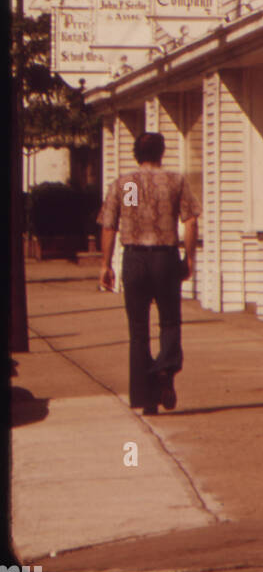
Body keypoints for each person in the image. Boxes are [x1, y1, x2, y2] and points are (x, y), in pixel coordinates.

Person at [98, 131, 200, 415]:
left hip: (135, 259)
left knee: (138, 331)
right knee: (169, 321)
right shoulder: (175, 181)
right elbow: (190, 222)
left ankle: (146, 395)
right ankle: (165, 368)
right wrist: (189, 257)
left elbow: (110, 226)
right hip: (165, 258)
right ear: (161, 153)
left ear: (136, 154)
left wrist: (105, 263)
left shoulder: (126, 184)